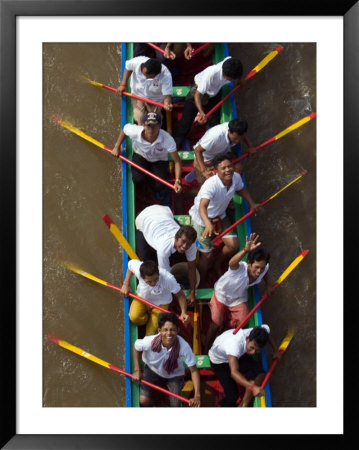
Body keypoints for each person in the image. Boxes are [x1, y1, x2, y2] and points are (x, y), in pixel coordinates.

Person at [188, 153, 260, 281]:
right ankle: (202, 279)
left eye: (230, 166)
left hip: (220, 214)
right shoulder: (211, 185)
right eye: (224, 168)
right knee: (207, 256)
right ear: (216, 171)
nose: (228, 170)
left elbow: (241, 189)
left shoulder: (236, 178)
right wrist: (208, 223)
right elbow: (202, 207)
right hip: (202, 219)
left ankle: (217, 263)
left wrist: (252, 203)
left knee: (233, 245)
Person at [203, 233, 272, 353]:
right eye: (256, 267)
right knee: (215, 325)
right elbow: (232, 263)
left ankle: (226, 334)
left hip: (238, 297)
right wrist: (245, 250)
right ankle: (206, 348)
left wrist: (268, 286)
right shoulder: (239, 269)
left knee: (243, 322)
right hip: (222, 294)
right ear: (249, 263)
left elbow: (265, 272)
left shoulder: (263, 268)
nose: (259, 271)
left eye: (262, 267)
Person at [174, 56, 246, 150]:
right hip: (198, 91)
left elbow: (239, 73)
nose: (233, 81)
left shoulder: (231, 62)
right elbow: (197, 95)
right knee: (186, 121)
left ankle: (206, 145)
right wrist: (201, 112)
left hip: (214, 93)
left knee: (213, 123)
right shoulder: (210, 74)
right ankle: (178, 141)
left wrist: (240, 80)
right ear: (225, 75)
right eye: (232, 79)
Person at [132, 312, 201, 407]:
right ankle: (157, 403)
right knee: (144, 401)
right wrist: (137, 370)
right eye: (165, 330)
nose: (169, 333)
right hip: (152, 370)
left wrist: (197, 395)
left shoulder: (184, 346)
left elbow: (194, 371)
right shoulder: (150, 341)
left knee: (176, 406)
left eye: (172, 330)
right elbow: (136, 347)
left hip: (174, 376)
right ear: (159, 330)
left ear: (177, 330)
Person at [135, 204, 198, 304]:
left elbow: (191, 267)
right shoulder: (163, 248)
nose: (185, 246)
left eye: (188, 244)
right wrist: (179, 294)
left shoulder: (191, 244)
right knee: (145, 261)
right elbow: (165, 276)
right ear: (176, 237)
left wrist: (192, 291)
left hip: (163, 212)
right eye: (183, 241)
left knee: (182, 251)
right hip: (144, 219)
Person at [111, 112, 182, 198]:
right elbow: (124, 130)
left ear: (160, 126)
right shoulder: (135, 131)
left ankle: (151, 187)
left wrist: (177, 181)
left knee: (159, 186)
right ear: (143, 125)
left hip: (159, 160)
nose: (151, 130)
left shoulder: (167, 139)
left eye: (155, 126)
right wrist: (117, 146)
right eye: (148, 126)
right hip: (141, 155)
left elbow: (177, 161)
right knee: (137, 180)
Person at [208, 324, 281, 407]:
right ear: (247, 338)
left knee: (260, 375)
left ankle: (244, 404)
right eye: (252, 348)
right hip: (219, 363)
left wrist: (275, 351)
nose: (253, 353)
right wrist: (253, 387)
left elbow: (267, 331)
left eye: (257, 350)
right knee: (232, 397)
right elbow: (234, 373)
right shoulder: (234, 345)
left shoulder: (258, 332)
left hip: (238, 356)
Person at [120, 259, 190, 336]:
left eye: (156, 279)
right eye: (149, 282)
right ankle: (147, 319)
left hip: (161, 303)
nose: (153, 283)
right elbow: (130, 266)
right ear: (142, 276)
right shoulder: (138, 268)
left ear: (158, 273)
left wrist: (183, 312)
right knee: (134, 317)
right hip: (142, 297)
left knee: (150, 333)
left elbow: (180, 295)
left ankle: (152, 320)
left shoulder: (168, 279)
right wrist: (126, 284)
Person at [193, 118, 256, 185]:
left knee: (238, 168)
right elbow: (197, 151)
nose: (237, 141)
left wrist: (250, 146)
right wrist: (204, 171)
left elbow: (243, 136)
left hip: (222, 154)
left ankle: (228, 187)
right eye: (235, 138)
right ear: (229, 131)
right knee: (206, 185)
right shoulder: (215, 136)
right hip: (206, 160)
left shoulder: (237, 130)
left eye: (240, 139)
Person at [117, 56, 173, 125]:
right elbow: (128, 67)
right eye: (144, 74)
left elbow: (167, 96)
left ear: (155, 75)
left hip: (155, 100)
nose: (145, 77)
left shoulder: (166, 75)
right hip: (138, 95)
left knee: (154, 122)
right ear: (143, 65)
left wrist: (167, 104)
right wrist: (123, 84)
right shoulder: (136, 62)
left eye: (148, 76)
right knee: (140, 118)